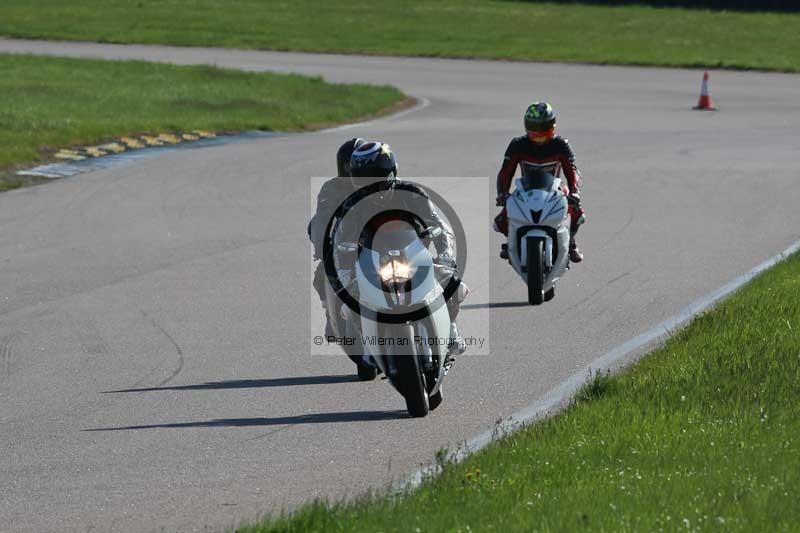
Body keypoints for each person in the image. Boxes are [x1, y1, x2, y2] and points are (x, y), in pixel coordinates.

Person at [340, 140, 467, 356]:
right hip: (371, 262)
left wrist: (445, 253)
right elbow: (343, 243)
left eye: (376, 176)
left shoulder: (411, 193)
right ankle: (367, 344)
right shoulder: (352, 205)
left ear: (390, 173)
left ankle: (451, 329)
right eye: (363, 178)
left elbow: (439, 225)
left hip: (415, 256)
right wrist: (344, 269)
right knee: (348, 302)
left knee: (453, 282)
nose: (370, 184)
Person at [494, 102, 586, 263]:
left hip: (555, 190)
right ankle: (511, 241)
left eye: (544, 129)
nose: (539, 135)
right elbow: (505, 172)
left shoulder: (561, 145)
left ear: (553, 126)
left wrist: (574, 191)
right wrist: (502, 193)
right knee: (501, 220)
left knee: (577, 212)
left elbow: (572, 170)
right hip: (526, 189)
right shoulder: (518, 145)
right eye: (534, 129)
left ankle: (570, 242)